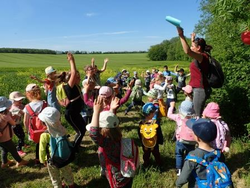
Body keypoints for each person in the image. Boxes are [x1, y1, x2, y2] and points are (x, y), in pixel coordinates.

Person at [87, 96, 133, 188]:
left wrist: (96, 112)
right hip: (127, 175)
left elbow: (94, 134)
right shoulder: (116, 138)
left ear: (102, 131)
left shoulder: (108, 144)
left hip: (118, 179)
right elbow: (110, 124)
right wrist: (111, 110)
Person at [176, 118, 223, 187]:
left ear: (197, 138)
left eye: (193, 131)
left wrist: (178, 184)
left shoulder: (192, 157)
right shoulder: (219, 154)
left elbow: (183, 178)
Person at [177, 28, 213, 117]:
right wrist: (193, 38)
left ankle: (198, 129)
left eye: (193, 46)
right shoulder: (201, 55)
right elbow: (192, 49)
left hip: (200, 89)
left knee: (197, 115)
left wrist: (181, 35)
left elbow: (188, 51)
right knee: (196, 112)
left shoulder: (202, 57)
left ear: (199, 48)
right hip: (198, 88)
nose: (191, 47)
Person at [38, 107, 75, 188]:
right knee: (67, 172)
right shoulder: (63, 130)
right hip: (64, 157)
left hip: (51, 160)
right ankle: (71, 184)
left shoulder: (44, 135)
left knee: (54, 176)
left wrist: (42, 160)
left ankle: (58, 186)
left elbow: (42, 149)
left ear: (44, 123)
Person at [62, 53, 86, 152]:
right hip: (71, 114)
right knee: (80, 132)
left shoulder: (77, 86)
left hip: (76, 113)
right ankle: (74, 150)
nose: (79, 78)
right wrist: (72, 61)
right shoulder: (69, 86)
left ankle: (76, 145)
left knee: (83, 129)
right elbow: (73, 72)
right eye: (77, 77)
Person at [167, 101, 196, 176]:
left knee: (179, 154)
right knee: (189, 155)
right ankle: (189, 169)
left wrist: (172, 106)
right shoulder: (195, 118)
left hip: (181, 140)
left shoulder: (178, 117)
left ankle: (179, 169)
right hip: (192, 141)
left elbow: (169, 114)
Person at [0, 96, 28, 168]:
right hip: (5, 137)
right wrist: (16, 116)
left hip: (0, 138)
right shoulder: (5, 116)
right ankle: (20, 161)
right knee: (13, 149)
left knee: (4, 149)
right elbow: (13, 123)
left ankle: (4, 162)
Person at [23, 83, 47, 164]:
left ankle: (38, 158)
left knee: (38, 143)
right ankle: (47, 157)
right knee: (46, 142)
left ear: (28, 94)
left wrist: (27, 130)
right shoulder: (44, 103)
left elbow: (25, 121)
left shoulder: (27, 107)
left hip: (34, 130)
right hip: (45, 128)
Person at [139, 102, 163, 170]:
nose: (155, 113)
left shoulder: (141, 123)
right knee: (156, 153)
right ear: (151, 113)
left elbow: (139, 133)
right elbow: (159, 133)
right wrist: (160, 140)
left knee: (146, 153)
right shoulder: (156, 123)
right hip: (154, 142)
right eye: (154, 112)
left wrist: (141, 140)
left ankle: (146, 163)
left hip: (145, 143)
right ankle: (159, 163)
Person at [9, 91, 27, 157]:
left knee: (22, 134)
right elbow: (23, 112)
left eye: (21, 99)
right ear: (13, 101)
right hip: (14, 125)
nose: (21, 101)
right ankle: (18, 149)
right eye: (18, 100)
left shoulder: (19, 105)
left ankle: (23, 143)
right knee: (21, 136)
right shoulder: (14, 108)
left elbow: (24, 107)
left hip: (18, 124)